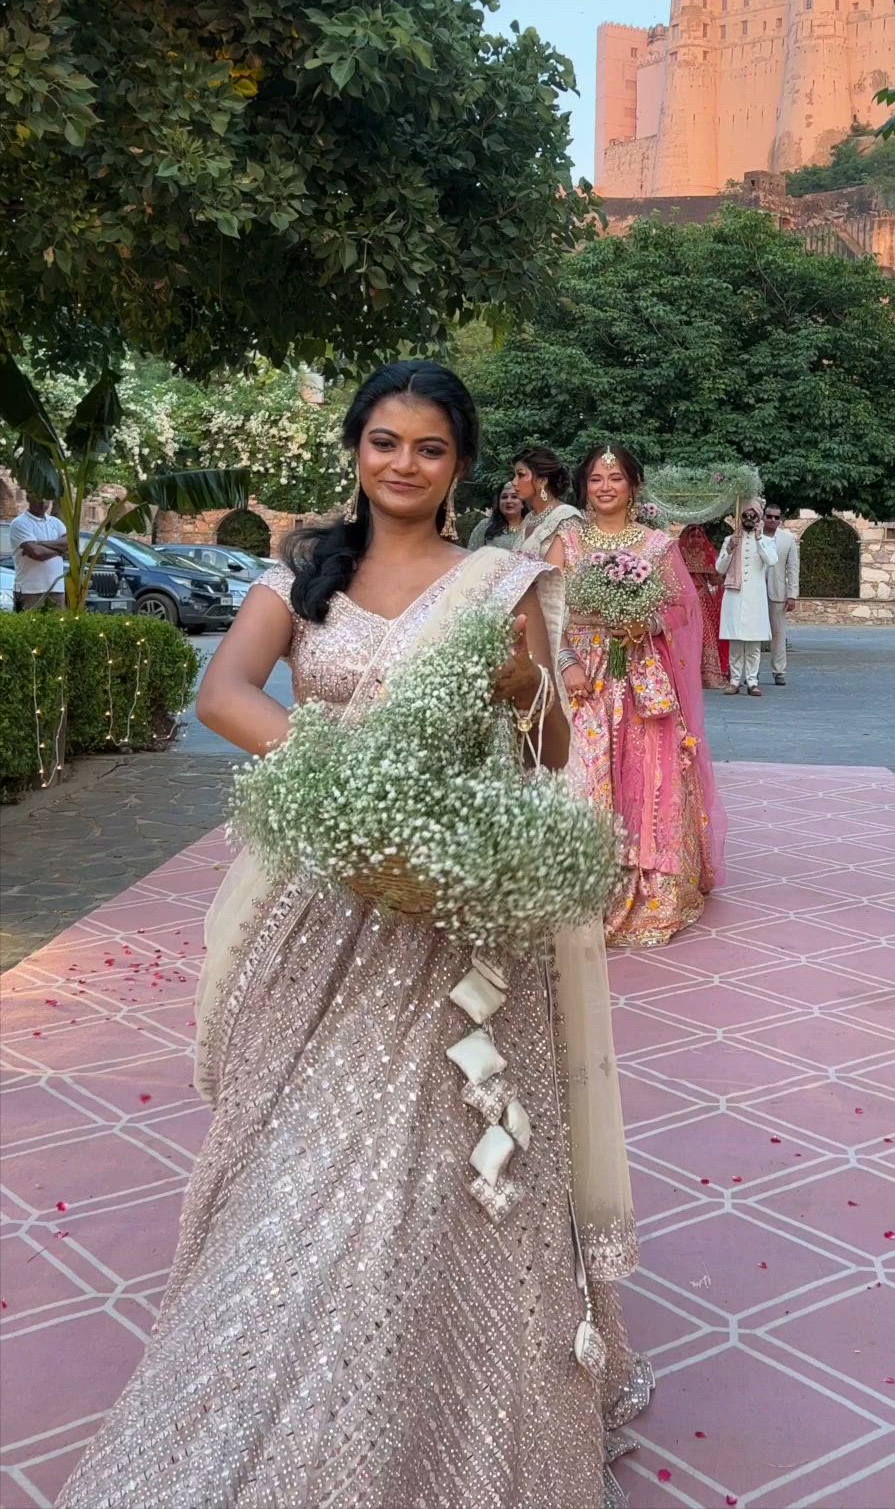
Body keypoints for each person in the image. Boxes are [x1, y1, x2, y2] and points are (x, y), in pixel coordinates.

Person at [57, 362, 649, 1509]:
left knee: (450, 1165)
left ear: (462, 465)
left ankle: (455, 1395)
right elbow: (225, 694)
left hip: (458, 909)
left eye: (430, 448)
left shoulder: (504, 581)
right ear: (356, 448)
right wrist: (343, 787)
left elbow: (554, 753)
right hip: (326, 896)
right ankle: (276, 1359)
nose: (404, 465)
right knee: (297, 1141)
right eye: (385, 442)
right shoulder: (303, 570)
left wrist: (527, 683)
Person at [547, 444, 725, 949]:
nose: (605, 487)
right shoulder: (568, 540)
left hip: (640, 675)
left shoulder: (654, 545)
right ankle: (579, 889)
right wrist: (566, 663)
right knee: (583, 776)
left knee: (645, 777)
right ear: (585, 487)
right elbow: (546, 608)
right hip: (582, 674)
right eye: (597, 479)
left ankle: (646, 884)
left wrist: (642, 620)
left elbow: (681, 609)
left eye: (616, 479)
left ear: (634, 486)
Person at [718, 499, 778, 697]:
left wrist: (760, 540)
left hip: (755, 599)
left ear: (758, 518)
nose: (749, 519)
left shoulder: (767, 541)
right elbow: (719, 568)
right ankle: (734, 681)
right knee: (735, 642)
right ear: (740, 518)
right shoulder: (730, 540)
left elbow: (771, 561)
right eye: (745, 515)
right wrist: (729, 550)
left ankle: (752, 681)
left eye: (753, 516)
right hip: (734, 596)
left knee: (753, 644)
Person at [679, 524, 730, 689]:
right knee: (684, 635)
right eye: (692, 536)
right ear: (686, 537)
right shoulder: (679, 555)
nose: (696, 540)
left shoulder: (707, 555)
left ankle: (709, 675)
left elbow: (715, 580)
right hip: (684, 601)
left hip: (703, 600)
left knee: (706, 634)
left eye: (699, 536)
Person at [512, 446, 579, 557]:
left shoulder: (566, 517)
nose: (514, 482)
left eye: (521, 475)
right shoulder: (528, 518)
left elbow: (574, 570)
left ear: (542, 480)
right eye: (514, 475)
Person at [763, 502, 800, 686]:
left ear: (780, 520)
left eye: (776, 517)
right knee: (750, 633)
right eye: (769, 516)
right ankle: (748, 672)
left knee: (778, 633)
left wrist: (792, 594)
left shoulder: (787, 539)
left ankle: (779, 671)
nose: (772, 520)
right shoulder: (754, 536)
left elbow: (793, 568)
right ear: (763, 517)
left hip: (777, 592)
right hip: (754, 591)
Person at [9, 497, 66, 611]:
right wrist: (60, 550)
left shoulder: (56, 522)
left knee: (58, 626)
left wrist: (39, 543)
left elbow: (69, 543)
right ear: (29, 498)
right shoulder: (20, 523)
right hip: (30, 591)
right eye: (39, 499)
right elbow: (37, 553)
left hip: (56, 589)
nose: (43, 503)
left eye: (46, 500)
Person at [467, 480, 525, 549]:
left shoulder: (531, 528)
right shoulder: (485, 525)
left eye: (514, 497)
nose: (508, 501)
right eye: (504, 497)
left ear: (523, 503)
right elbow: (471, 555)